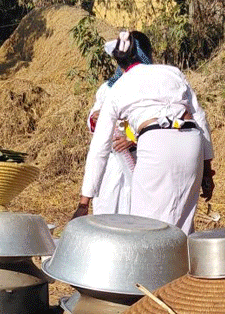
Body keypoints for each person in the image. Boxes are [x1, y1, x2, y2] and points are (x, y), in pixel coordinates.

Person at [74, 29, 215, 234]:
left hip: (157, 143)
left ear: (120, 64)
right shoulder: (172, 72)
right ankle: (181, 264)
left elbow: (99, 147)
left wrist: (84, 202)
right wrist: (207, 170)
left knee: (145, 228)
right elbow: (200, 118)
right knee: (183, 223)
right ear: (148, 54)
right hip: (191, 143)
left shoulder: (119, 87)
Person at [85, 32, 153, 216]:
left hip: (138, 159)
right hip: (111, 162)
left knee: (135, 211)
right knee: (107, 211)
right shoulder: (107, 88)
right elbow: (94, 115)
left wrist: (132, 139)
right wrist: (96, 117)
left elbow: (157, 120)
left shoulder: (152, 84)